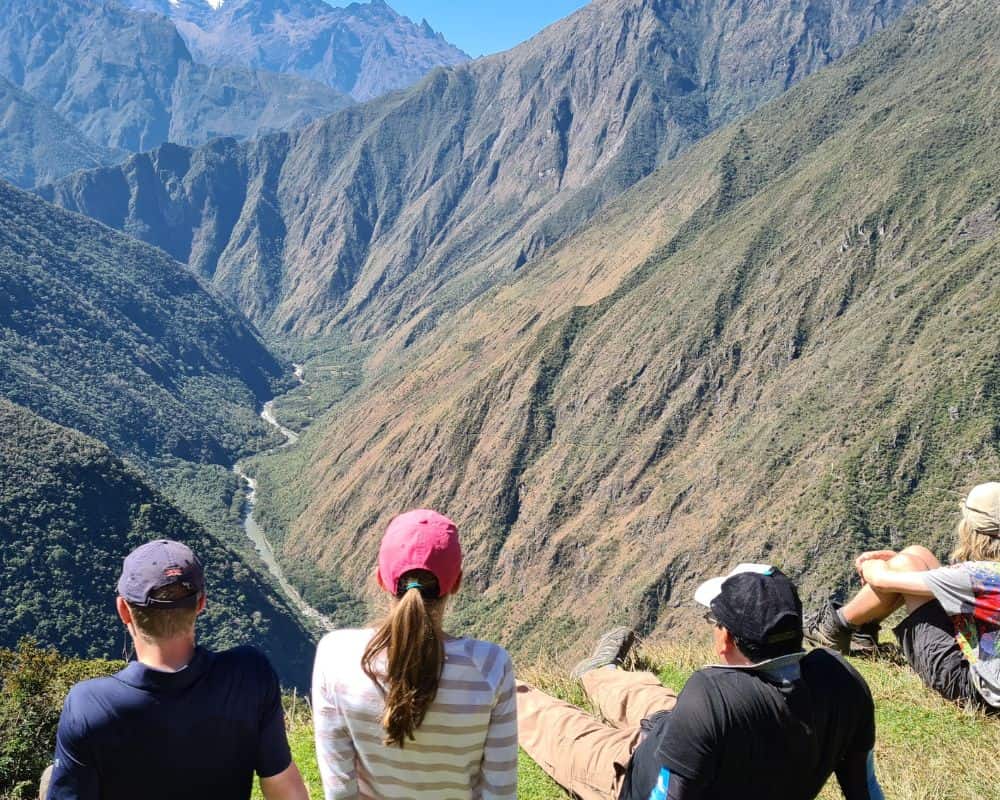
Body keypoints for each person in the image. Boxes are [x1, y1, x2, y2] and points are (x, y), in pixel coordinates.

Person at [517, 564, 884, 800]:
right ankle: (598, 673)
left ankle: (499, 686)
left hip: (628, 770)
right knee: (649, 697)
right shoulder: (841, 679)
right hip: (688, 737)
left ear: (725, 640)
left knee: (556, 725)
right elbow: (864, 790)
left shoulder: (712, 697)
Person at [45, 539, 309, 800]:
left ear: (123, 610)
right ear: (201, 603)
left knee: (49, 779)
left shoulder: (89, 706)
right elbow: (284, 787)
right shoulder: (249, 674)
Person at [312, 509, 517, 799]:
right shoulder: (491, 666)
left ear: (380, 578)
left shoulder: (335, 657)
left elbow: (339, 791)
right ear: (456, 583)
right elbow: (500, 791)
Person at [806, 481, 1000, 713]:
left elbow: (881, 580)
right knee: (918, 555)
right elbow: (952, 581)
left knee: (907, 563)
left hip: (972, 689)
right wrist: (897, 561)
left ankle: (834, 628)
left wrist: (870, 563)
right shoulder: (984, 577)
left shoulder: (977, 577)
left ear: (971, 530)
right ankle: (855, 631)